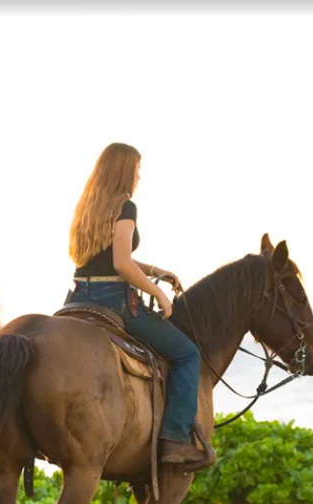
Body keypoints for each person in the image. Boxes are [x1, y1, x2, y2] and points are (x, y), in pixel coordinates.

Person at [65, 142, 211, 469]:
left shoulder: (87, 206)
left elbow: (104, 259)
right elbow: (120, 264)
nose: (139, 177)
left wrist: (156, 271)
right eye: (138, 169)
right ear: (125, 170)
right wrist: (157, 293)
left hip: (76, 298)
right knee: (187, 354)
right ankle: (175, 440)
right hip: (113, 301)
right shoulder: (125, 206)